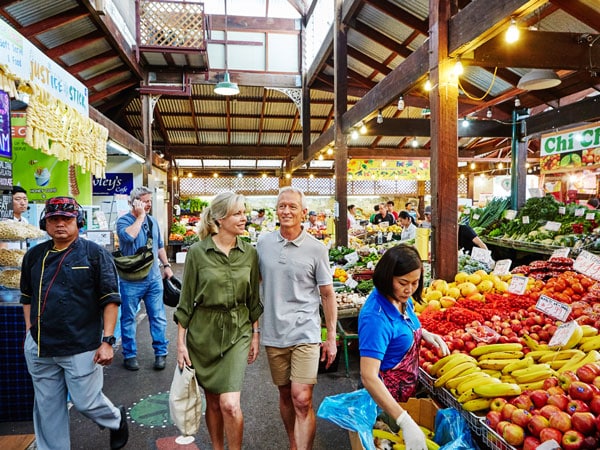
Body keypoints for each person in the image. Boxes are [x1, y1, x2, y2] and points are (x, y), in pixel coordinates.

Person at [20, 196, 128, 450]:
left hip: (82, 345)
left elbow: (110, 300)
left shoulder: (95, 254)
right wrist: (29, 332)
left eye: (66, 219)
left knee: (86, 402)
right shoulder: (34, 256)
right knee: (47, 409)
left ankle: (115, 419)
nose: (59, 225)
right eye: (53, 219)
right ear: (44, 223)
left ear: (78, 222)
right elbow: (27, 296)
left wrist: (108, 341)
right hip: (40, 347)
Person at [175, 192, 262, 450]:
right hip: (204, 334)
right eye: (238, 213)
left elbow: (253, 299)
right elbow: (186, 300)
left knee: (230, 404)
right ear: (220, 219)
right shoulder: (197, 253)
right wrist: (181, 343)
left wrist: (255, 333)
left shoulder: (249, 254)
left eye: (244, 212)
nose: (244, 218)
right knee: (212, 402)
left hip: (238, 330)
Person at [256, 187, 337, 450]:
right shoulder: (263, 245)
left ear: (304, 213)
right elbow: (253, 288)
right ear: (276, 210)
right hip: (274, 332)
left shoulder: (316, 249)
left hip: (306, 332)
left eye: (292, 207)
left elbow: (327, 294)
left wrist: (331, 337)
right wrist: (254, 331)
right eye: (282, 206)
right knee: (285, 395)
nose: (286, 211)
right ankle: (294, 443)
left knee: (301, 398)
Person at [358, 245, 449, 450]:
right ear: (386, 278)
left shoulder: (401, 299)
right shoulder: (376, 317)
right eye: (403, 283)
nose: (409, 289)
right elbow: (368, 376)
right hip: (384, 405)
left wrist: (423, 333)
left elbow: (403, 323)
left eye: (415, 282)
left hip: (403, 395)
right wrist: (403, 421)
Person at [116, 186, 171, 371]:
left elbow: (160, 246)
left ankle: (160, 353)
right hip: (130, 280)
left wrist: (167, 266)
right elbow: (129, 237)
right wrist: (139, 216)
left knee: (158, 317)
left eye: (149, 201)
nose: (148, 205)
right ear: (134, 202)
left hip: (153, 278)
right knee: (128, 317)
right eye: (145, 201)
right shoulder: (123, 221)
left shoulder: (153, 222)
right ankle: (129, 355)